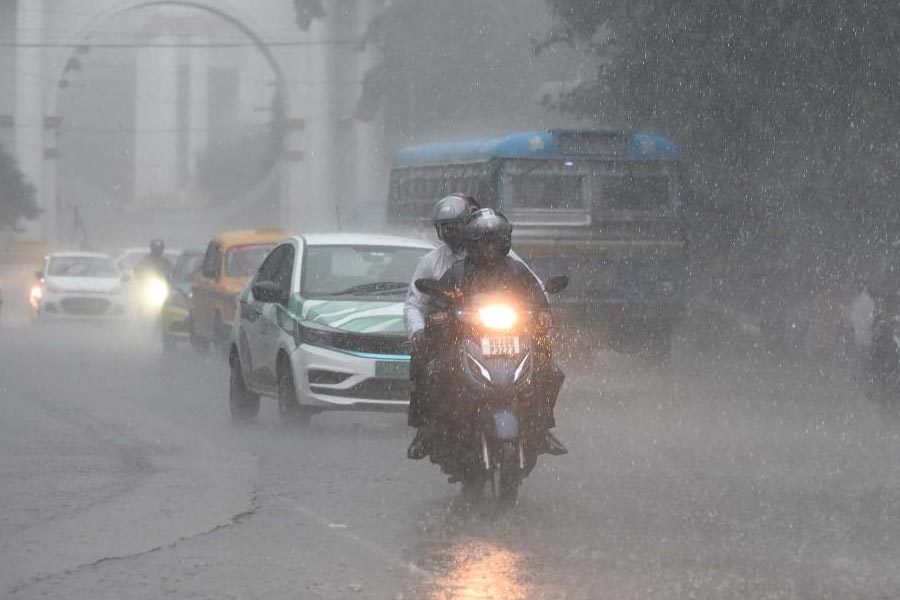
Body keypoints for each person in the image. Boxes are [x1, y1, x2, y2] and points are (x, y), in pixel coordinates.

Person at [436, 208, 567, 456]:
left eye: (495, 243)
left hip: (515, 339)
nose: (490, 249)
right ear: (471, 244)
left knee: (550, 372)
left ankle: (541, 429)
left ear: (505, 243)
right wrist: (440, 315)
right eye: (483, 243)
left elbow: (538, 296)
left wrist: (543, 313)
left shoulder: (517, 271)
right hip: (469, 340)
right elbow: (439, 300)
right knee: (439, 371)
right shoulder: (458, 272)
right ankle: (439, 432)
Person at [404, 194, 480, 459]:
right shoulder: (431, 262)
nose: (451, 231)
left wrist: (541, 312)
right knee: (426, 368)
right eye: (445, 226)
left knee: (545, 369)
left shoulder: (496, 254)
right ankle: (425, 429)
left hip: (496, 337)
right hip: (450, 337)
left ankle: (538, 426)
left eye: (456, 225)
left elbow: (529, 283)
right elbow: (414, 303)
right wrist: (418, 331)